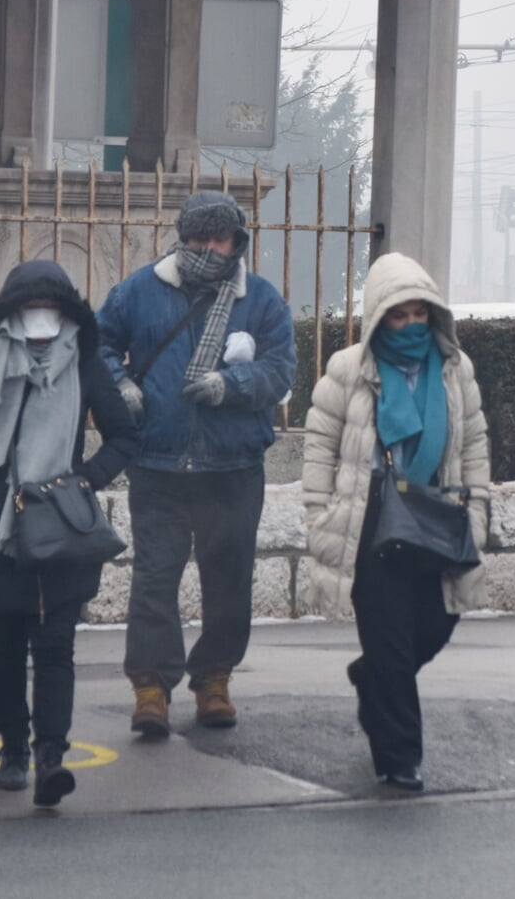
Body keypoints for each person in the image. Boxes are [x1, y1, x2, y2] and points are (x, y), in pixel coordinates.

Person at [0, 261, 140, 807]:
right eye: (30, 307)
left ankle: (51, 755)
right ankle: (12, 748)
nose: (41, 317)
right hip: (1, 522)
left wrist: (83, 483)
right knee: (5, 645)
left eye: (51, 307)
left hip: (61, 522)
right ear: (10, 311)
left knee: (55, 645)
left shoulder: (86, 363)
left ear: (68, 312)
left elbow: (123, 436)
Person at [97, 191, 297, 736]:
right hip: (157, 462)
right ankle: (150, 690)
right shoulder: (139, 289)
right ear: (182, 238)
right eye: (198, 237)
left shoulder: (261, 300)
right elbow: (97, 344)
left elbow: (281, 370)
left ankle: (214, 680)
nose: (208, 248)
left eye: (219, 238)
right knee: (155, 579)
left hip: (233, 466)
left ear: (237, 241)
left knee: (228, 579)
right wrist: (119, 385)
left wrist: (231, 384)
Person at [301, 253, 491, 793]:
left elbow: (475, 441)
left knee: (434, 627)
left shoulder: (456, 369)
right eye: (398, 316)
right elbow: (320, 445)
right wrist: (320, 516)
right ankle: (400, 758)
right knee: (389, 644)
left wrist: (475, 510)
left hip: (436, 523)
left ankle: (371, 680)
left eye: (418, 315)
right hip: (371, 528)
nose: (409, 326)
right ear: (378, 318)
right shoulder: (347, 370)